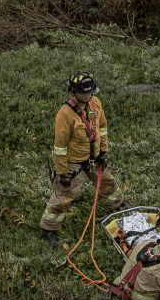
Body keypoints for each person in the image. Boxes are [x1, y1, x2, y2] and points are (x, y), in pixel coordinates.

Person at [40, 72, 125, 248]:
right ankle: (49, 228)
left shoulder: (96, 103)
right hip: (74, 162)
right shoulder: (65, 115)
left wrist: (103, 152)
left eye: (90, 92)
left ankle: (117, 204)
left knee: (107, 181)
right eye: (84, 93)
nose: (88, 95)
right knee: (64, 195)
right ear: (73, 92)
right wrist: (63, 173)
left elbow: (102, 128)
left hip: (94, 157)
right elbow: (60, 148)